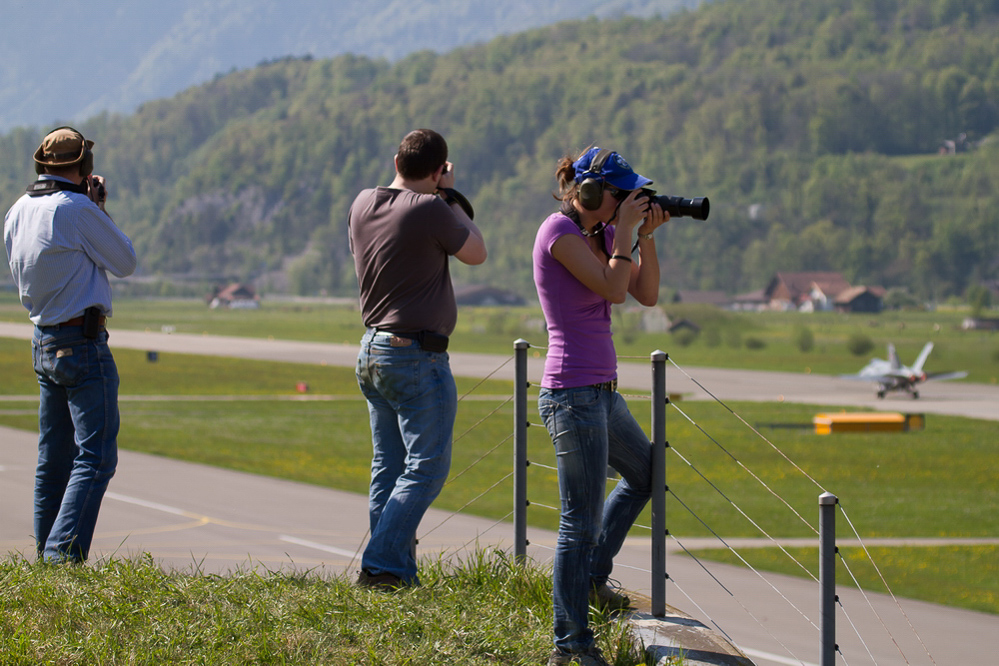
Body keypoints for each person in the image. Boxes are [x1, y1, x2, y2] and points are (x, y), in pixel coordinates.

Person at [532, 147, 669, 665]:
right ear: (591, 193)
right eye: (621, 193)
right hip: (571, 394)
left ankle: (591, 579)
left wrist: (645, 236)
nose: (628, 201)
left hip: (602, 392)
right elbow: (614, 288)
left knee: (648, 473)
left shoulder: (606, 234)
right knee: (578, 522)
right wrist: (629, 233)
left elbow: (646, 294)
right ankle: (570, 646)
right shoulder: (559, 234)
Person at [348, 129, 487, 589]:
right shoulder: (431, 208)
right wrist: (447, 195)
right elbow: (476, 252)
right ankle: (383, 565)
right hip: (416, 354)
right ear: (437, 170)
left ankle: (394, 572)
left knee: (388, 466)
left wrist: (434, 187)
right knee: (427, 467)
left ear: (395, 160)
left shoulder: (363, 202)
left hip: (373, 346)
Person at [4, 126, 137, 563]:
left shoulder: (18, 209)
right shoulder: (78, 209)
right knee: (96, 457)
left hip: (43, 337)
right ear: (84, 168)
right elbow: (124, 261)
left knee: (52, 459)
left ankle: (46, 551)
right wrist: (99, 208)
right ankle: (62, 556)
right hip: (81, 340)